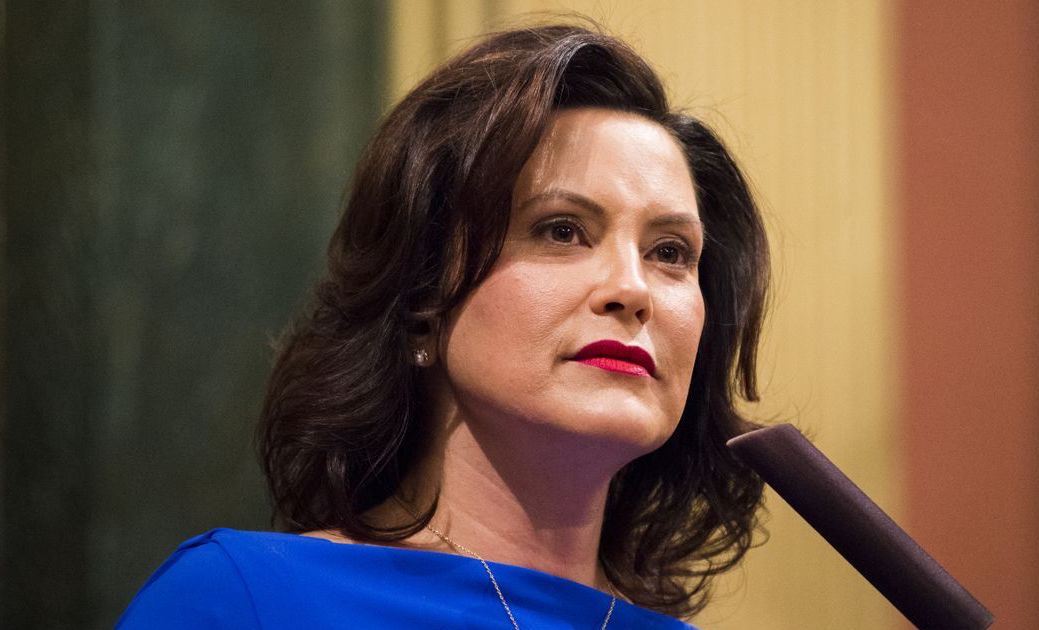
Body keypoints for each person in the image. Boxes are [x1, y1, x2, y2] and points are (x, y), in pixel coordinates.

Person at [118, 21, 770, 629]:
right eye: (562, 230)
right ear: (421, 304)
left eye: (670, 253)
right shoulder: (243, 599)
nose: (632, 289)